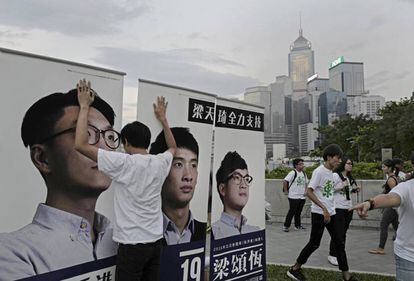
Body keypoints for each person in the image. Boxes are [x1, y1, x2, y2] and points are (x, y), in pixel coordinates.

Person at [0, 87, 118, 279]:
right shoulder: (13, 254)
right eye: (85, 133)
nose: (103, 149)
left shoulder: (124, 243)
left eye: (110, 137)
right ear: (42, 158)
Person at [74, 80, 176, 280]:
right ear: (147, 142)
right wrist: (163, 119)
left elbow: (80, 145)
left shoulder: (123, 163)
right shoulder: (160, 163)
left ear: (126, 142)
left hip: (133, 247)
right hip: (156, 242)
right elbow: (173, 147)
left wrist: (84, 106)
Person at [287, 144, 357, 281]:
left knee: (339, 242)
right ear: (329, 157)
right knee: (314, 243)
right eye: (337, 158)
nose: (339, 161)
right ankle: (295, 269)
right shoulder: (319, 171)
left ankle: (346, 275)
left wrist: (330, 209)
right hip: (319, 213)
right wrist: (324, 209)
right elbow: (309, 191)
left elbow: (328, 193)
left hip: (332, 212)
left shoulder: (331, 173)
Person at [149, 127, 207, 245]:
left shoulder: (208, 234)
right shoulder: (142, 236)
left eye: (193, 165)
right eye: (178, 164)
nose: (188, 176)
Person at [350, 177, 414, 281]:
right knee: (384, 225)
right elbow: (391, 197)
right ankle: (381, 247)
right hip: (409, 255)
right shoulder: (407, 187)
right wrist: (370, 203)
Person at [212, 151, 259, 240]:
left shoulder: (255, 231)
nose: (243, 185)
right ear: (222, 189)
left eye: (246, 179)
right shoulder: (214, 233)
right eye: (237, 178)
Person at [327, 156, 360, 266]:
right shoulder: (336, 176)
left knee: (343, 233)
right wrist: (341, 186)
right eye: (348, 163)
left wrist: (354, 190)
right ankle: (332, 255)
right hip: (338, 208)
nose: (350, 165)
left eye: (351, 164)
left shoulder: (349, 177)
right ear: (343, 164)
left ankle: (340, 253)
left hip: (348, 208)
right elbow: (328, 189)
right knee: (338, 233)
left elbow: (347, 191)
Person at [368, 159, 399, 255]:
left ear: (389, 168)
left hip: (391, 206)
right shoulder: (393, 177)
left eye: (384, 167)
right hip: (393, 206)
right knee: (397, 227)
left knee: (383, 225)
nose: (382, 168)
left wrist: (385, 202)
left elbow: (394, 193)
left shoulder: (391, 179)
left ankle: (381, 248)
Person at [282, 158, 308, 232]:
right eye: (300, 164)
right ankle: (286, 226)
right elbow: (285, 181)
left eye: (302, 164)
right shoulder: (293, 172)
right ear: (296, 165)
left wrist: (306, 191)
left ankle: (298, 226)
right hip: (293, 196)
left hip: (302, 197)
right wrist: (286, 191)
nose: (302, 165)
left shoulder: (304, 173)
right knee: (292, 212)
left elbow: (306, 183)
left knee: (298, 212)